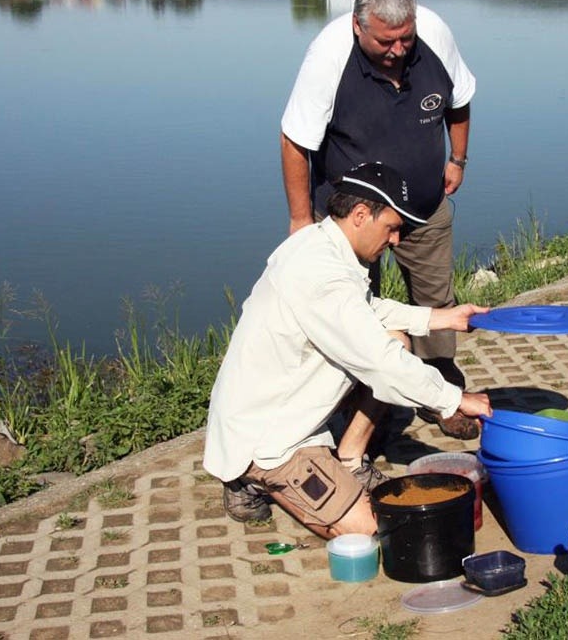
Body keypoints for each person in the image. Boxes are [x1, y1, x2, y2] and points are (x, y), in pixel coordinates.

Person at [204, 163, 492, 535]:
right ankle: (249, 477)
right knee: (371, 531)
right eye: (391, 227)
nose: (396, 241)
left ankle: (350, 458)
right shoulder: (322, 276)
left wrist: (443, 317)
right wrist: (454, 400)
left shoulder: (322, 245)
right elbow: (380, 363)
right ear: (360, 215)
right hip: (270, 438)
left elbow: (367, 311)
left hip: (288, 410)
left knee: (396, 337)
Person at [279, 0, 478, 440]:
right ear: (357, 26)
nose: (398, 50)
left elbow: (461, 99)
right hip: (355, 219)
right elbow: (295, 139)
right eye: (386, 41)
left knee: (434, 299)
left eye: (405, 39)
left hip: (424, 205)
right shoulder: (328, 55)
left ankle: (440, 392)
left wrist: (458, 159)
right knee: (350, 312)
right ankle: (352, 407)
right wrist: (301, 219)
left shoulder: (433, 33)